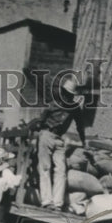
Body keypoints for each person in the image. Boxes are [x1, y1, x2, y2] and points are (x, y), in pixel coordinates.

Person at [36, 75, 87, 211]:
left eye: (70, 95)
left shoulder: (75, 108)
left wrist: (84, 141)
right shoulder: (53, 104)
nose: (67, 97)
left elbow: (80, 125)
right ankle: (47, 201)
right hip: (46, 135)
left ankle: (57, 203)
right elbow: (40, 120)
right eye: (66, 94)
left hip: (59, 139)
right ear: (62, 93)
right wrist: (39, 131)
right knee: (45, 168)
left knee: (61, 170)